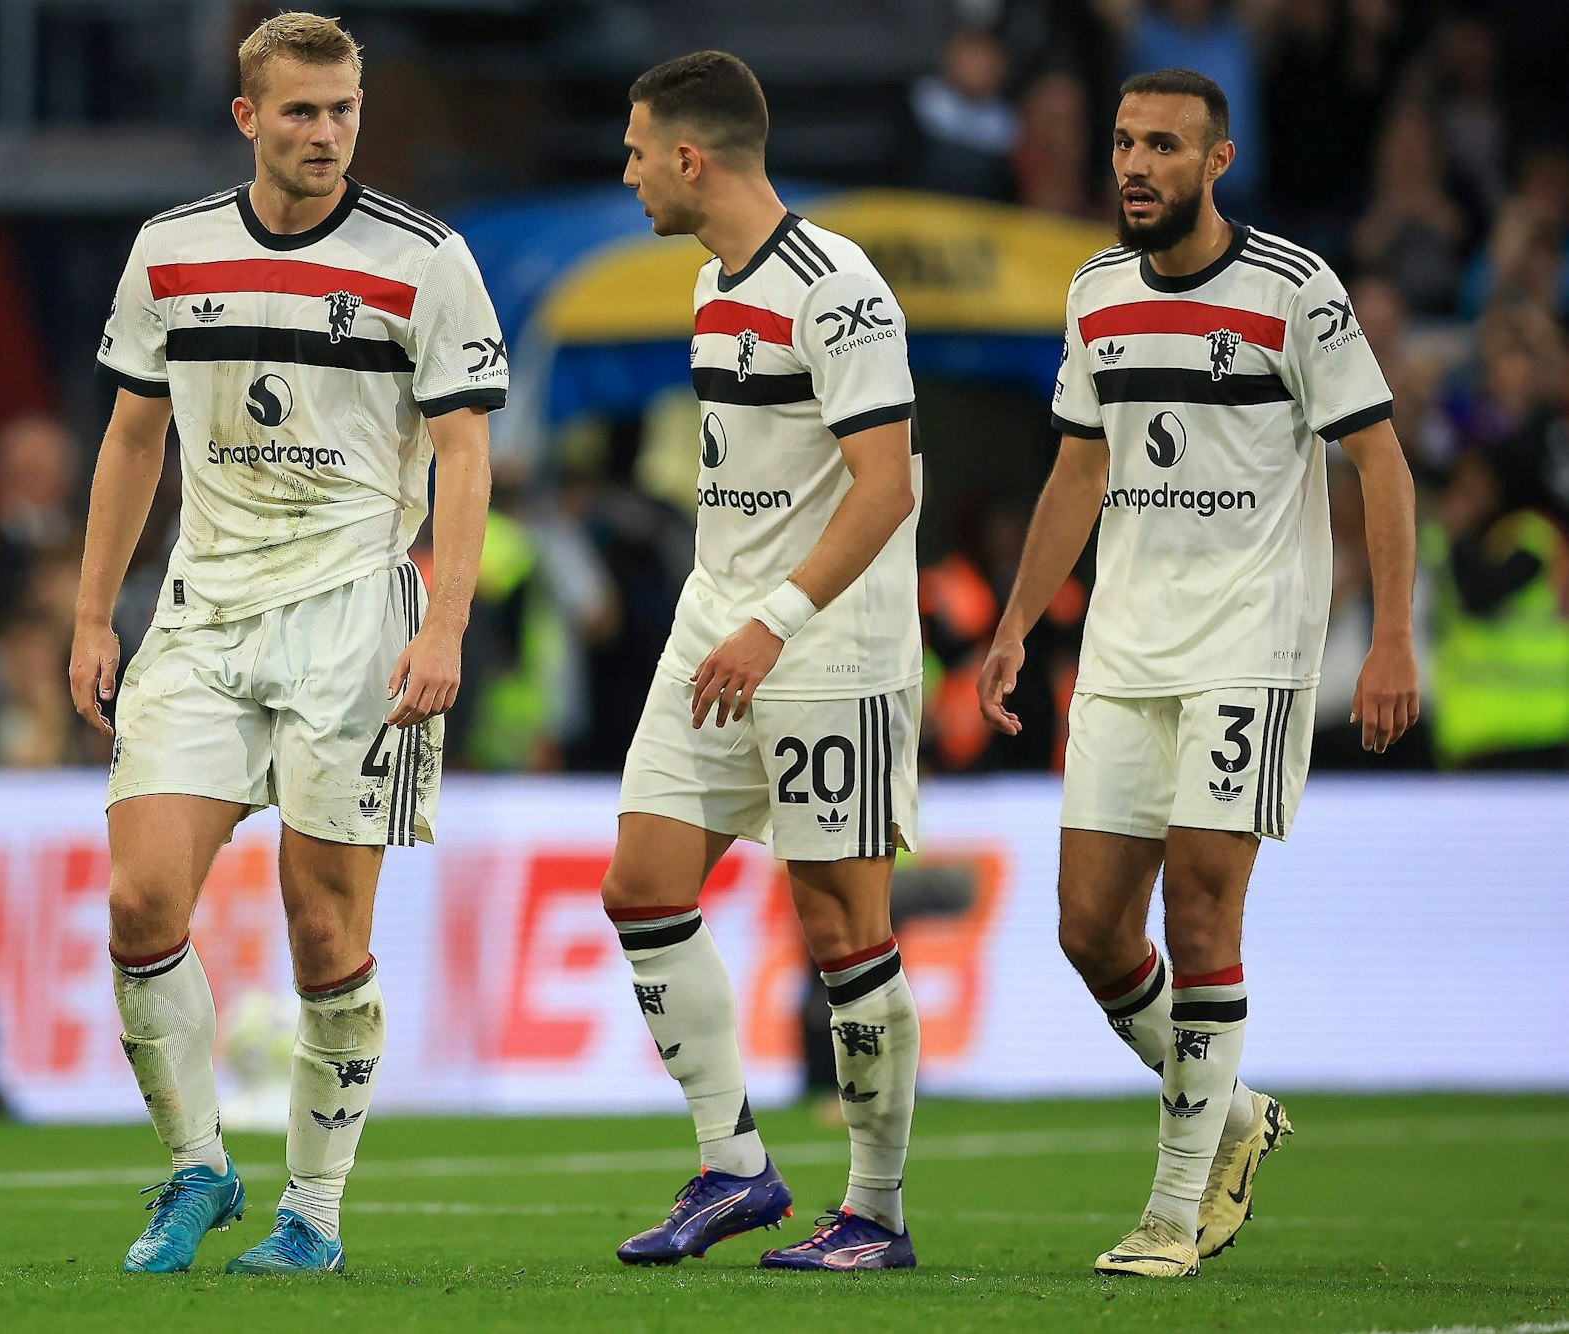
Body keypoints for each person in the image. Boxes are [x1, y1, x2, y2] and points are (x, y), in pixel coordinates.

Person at [69, 11, 505, 1276]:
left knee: (325, 934)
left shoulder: (427, 260)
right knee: (139, 898)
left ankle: (311, 1211)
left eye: (345, 109)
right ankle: (198, 1165)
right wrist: (97, 609)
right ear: (248, 117)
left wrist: (446, 618)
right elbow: (131, 436)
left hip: (353, 627)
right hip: (202, 615)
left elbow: (468, 453)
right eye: (302, 110)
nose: (327, 132)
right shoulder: (171, 251)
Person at [978, 68, 1420, 1278]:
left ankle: (1175, 1211)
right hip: (1124, 646)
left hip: (1251, 646)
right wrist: (1018, 622)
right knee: (1087, 929)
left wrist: (1389, 635)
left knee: (1203, 906)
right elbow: (1080, 470)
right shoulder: (1094, 293)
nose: (1134, 163)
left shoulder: (1293, 290)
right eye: (1123, 141)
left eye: (1163, 146)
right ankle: (1231, 1109)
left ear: (1217, 163)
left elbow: (1379, 462)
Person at [608, 51, 924, 1272]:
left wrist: (775, 617)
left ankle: (878, 1213)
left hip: (824, 640)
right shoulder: (706, 281)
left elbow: (885, 486)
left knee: (843, 924)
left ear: (692, 156)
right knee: (641, 882)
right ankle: (734, 1165)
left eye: (638, 149)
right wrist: (734, 614)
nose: (628, 170)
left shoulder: (837, 287)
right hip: (716, 622)